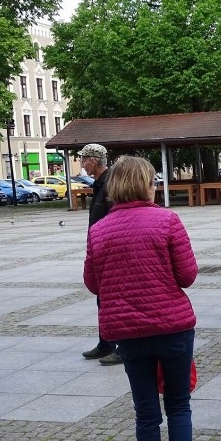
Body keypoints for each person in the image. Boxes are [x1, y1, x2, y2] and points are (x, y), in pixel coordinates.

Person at [83, 156, 208, 441]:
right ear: (145, 184)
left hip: (128, 333)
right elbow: (187, 275)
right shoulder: (167, 220)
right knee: (179, 404)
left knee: (145, 413)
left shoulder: (99, 229)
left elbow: (93, 283)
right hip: (172, 326)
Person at [79, 143, 123, 366]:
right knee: (102, 300)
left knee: (114, 301)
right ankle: (105, 343)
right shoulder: (100, 184)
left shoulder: (110, 184)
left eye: (84, 159)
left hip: (109, 252)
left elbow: (113, 219)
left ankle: (121, 348)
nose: (82, 164)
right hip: (99, 250)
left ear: (94, 161)